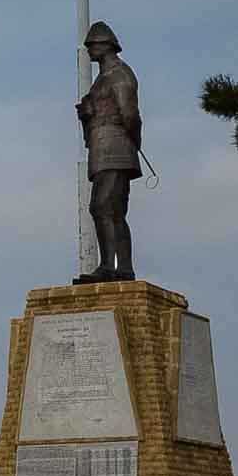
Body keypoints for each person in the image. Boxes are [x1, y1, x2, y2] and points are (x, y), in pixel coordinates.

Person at [75, 21, 141, 283]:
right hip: (102, 146)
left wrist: (133, 142)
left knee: (104, 207)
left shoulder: (120, 74)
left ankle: (114, 267)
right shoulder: (102, 78)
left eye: (93, 45)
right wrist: (87, 114)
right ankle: (117, 267)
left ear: (106, 45)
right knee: (108, 209)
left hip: (115, 146)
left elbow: (130, 114)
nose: (89, 50)